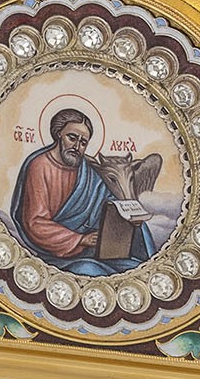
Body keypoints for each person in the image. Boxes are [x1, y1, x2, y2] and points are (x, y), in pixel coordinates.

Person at [9, 106, 152, 276]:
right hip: (55, 252)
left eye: (83, 142)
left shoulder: (87, 170)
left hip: (93, 248)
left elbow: (107, 203)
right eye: (72, 138)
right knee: (88, 270)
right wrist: (80, 239)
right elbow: (35, 222)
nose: (77, 146)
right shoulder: (40, 166)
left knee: (135, 266)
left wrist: (130, 218)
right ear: (58, 134)